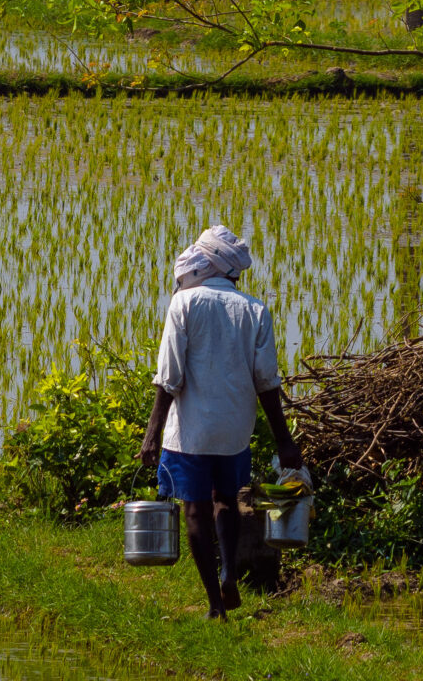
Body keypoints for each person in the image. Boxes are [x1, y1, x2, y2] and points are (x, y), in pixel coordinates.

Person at [138, 225, 304, 621]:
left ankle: (215, 603)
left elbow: (169, 377)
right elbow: (267, 382)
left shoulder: (184, 304)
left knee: (195, 511)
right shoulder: (254, 309)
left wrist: (152, 432)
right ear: (232, 269)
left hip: (190, 432)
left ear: (205, 262)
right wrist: (284, 440)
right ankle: (230, 571)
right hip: (234, 430)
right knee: (226, 500)